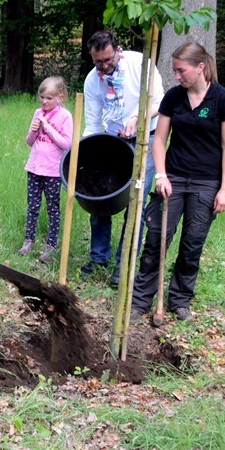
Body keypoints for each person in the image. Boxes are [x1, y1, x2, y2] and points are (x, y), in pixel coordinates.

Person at [130, 42, 225, 323]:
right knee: (156, 239)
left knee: (192, 244)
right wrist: (162, 175)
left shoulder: (223, 100)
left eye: (181, 70)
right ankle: (140, 300)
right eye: (175, 71)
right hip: (174, 178)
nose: (177, 76)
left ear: (200, 67)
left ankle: (180, 300)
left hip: (206, 183)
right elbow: (159, 140)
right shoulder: (174, 97)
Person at [81, 30, 164, 286]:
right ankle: (98, 258)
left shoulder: (141, 65)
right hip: (111, 141)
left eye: (108, 60)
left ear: (118, 51)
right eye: (98, 62)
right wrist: (87, 154)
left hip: (145, 139)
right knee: (99, 197)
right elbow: (92, 123)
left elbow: (160, 103)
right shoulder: (92, 80)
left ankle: (123, 263)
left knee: (135, 202)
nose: (104, 66)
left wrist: (139, 117)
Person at [18, 77, 73, 263]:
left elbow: (67, 144)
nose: (44, 101)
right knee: (32, 206)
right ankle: (28, 240)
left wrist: (47, 127)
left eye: (49, 98)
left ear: (60, 97)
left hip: (53, 171)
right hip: (34, 168)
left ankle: (51, 246)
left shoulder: (65, 116)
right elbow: (29, 141)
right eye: (42, 97)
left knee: (53, 208)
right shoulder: (37, 113)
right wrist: (34, 130)